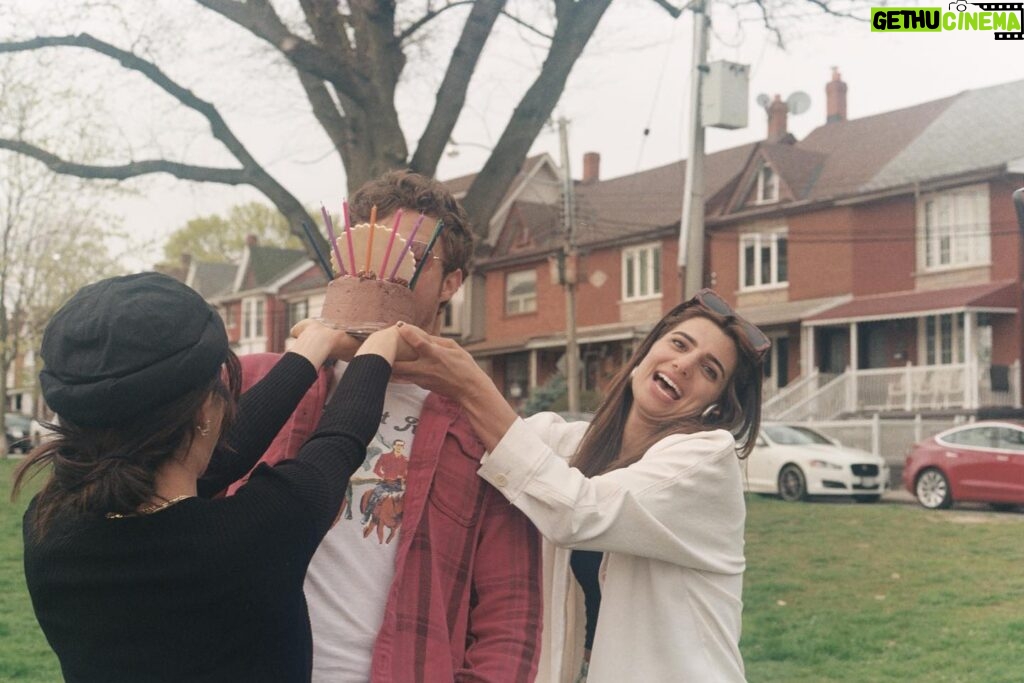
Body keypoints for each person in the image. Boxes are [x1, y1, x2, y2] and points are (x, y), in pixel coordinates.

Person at [13, 272, 410, 683]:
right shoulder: (244, 542)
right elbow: (336, 442)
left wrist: (314, 344)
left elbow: (210, 457)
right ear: (206, 412)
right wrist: (381, 345)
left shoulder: (48, 530)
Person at [232, 170, 543, 682]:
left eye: (409, 255)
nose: (381, 268)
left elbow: (510, 617)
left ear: (451, 283)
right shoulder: (259, 387)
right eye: (368, 247)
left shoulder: (483, 431)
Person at [395, 288, 770, 683]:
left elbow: (577, 511)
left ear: (717, 406)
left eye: (709, 370)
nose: (684, 364)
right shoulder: (567, 445)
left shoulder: (707, 461)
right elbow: (471, 440)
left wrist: (473, 385)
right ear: (645, 352)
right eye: (679, 343)